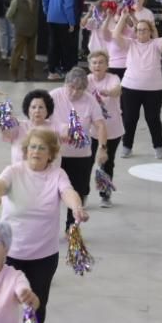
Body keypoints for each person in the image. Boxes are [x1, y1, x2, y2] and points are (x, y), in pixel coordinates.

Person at [0, 127, 86, 323]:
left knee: (36, 304)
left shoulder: (57, 174)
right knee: (4, 302)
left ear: (51, 154)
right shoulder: (14, 171)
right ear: (25, 149)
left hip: (43, 256)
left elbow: (68, 192)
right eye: (32, 147)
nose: (36, 151)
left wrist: (76, 206)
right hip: (10, 254)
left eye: (42, 148)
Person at [49, 67, 108, 224]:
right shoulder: (53, 96)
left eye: (80, 89)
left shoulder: (90, 100)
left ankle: (72, 227)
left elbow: (100, 125)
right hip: (55, 154)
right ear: (65, 83)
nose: (75, 92)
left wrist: (102, 148)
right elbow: (40, 120)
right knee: (51, 193)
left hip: (81, 156)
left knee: (77, 192)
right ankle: (49, 226)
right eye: (72, 87)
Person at [119, 8, 162, 160]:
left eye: (144, 30)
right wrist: (124, 17)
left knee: (153, 118)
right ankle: (127, 146)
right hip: (130, 88)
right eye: (138, 30)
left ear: (150, 31)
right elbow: (115, 36)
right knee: (130, 118)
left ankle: (158, 146)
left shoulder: (156, 44)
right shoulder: (130, 44)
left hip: (154, 90)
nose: (141, 33)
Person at [86, 50, 124, 207]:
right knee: (86, 163)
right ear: (89, 65)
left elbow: (117, 90)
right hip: (91, 131)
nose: (97, 65)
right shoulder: (86, 80)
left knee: (107, 163)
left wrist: (107, 92)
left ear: (107, 65)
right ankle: (82, 194)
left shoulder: (113, 78)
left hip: (112, 130)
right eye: (94, 62)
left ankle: (105, 194)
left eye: (101, 62)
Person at [0, 89, 59, 166]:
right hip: (20, 174)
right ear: (28, 110)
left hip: (48, 175)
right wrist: (4, 121)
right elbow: (7, 132)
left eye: (41, 107)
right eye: (33, 107)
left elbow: (67, 131)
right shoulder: (18, 126)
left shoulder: (55, 126)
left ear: (47, 110)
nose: (37, 110)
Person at [42, 0, 78, 78]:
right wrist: (72, 22)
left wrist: (48, 12)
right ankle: (67, 71)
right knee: (66, 46)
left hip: (51, 19)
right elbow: (68, 5)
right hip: (63, 20)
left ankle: (52, 72)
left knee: (53, 45)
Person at [6, 0, 40, 82]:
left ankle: (29, 75)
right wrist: (16, 24)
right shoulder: (16, 0)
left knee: (31, 55)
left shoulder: (36, 0)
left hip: (33, 31)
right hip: (20, 31)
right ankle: (13, 75)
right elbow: (9, 15)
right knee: (17, 54)